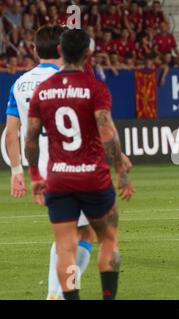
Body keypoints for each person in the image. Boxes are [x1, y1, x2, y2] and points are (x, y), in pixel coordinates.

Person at [25, 28, 134, 300]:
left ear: (60, 51)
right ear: (88, 53)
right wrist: (121, 172)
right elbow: (107, 132)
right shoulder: (94, 88)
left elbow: (30, 138)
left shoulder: (43, 90)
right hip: (94, 179)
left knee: (65, 247)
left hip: (59, 180)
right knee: (108, 242)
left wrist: (35, 175)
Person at [5, 25, 97, 300]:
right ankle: (59, 292)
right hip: (75, 168)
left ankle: (55, 293)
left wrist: (15, 171)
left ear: (34, 50)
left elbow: (12, 131)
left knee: (65, 232)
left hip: (43, 173)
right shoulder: (73, 79)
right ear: (61, 49)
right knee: (84, 234)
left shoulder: (19, 84)